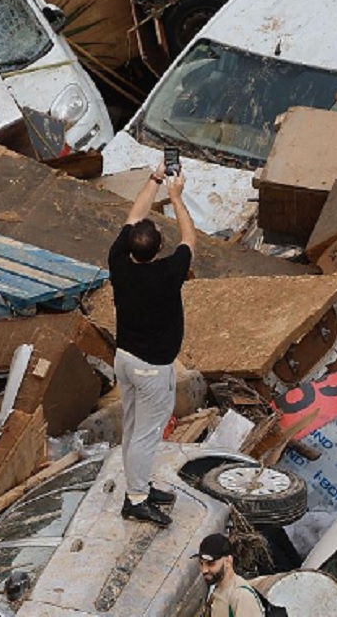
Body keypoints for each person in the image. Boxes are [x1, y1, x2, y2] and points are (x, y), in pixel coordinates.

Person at [107, 157, 197, 526]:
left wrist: (155, 179)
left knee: (132, 427)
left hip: (125, 359)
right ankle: (137, 498)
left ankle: (138, 484)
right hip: (151, 369)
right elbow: (190, 238)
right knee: (146, 434)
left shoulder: (119, 260)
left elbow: (133, 215)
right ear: (159, 248)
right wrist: (176, 197)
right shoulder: (167, 273)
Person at [198, 533, 263, 617]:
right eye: (201, 564)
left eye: (211, 564)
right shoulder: (216, 588)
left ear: (228, 561)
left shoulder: (241, 596)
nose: (204, 570)